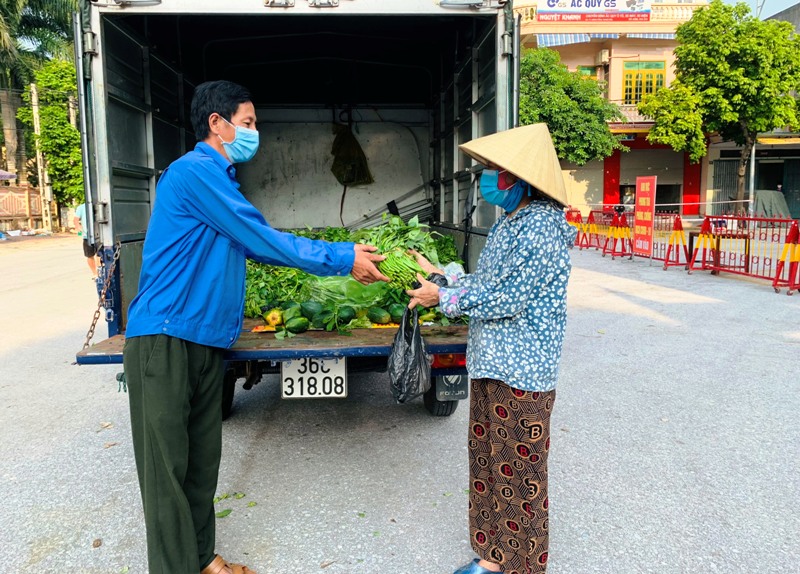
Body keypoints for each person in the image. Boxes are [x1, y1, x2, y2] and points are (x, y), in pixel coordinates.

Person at [122, 80, 389, 574]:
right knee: (167, 477)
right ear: (216, 124)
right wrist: (342, 255)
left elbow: (250, 245)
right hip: (165, 338)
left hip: (204, 340)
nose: (254, 133)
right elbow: (262, 239)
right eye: (247, 123)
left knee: (200, 469)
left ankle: (203, 561)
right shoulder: (193, 173)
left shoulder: (221, 181)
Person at [406, 124, 576, 574]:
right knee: (487, 465)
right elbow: (488, 284)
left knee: (519, 474)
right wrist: (441, 275)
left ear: (520, 178)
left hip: (522, 375)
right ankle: (492, 557)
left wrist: (441, 298)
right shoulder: (510, 223)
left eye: (494, 170)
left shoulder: (540, 227)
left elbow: (509, 297)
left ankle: (521, 566)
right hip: (492, 364)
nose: (487, 178)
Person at [73, 202, 100, 279]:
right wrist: (79, 228)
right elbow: (75, 220)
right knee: (89, 255)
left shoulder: (99, 204)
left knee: (99, 255)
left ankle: (100, 272)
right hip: (87, 235)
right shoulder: (81, 207)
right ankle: (95, 273)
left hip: (99, 234)